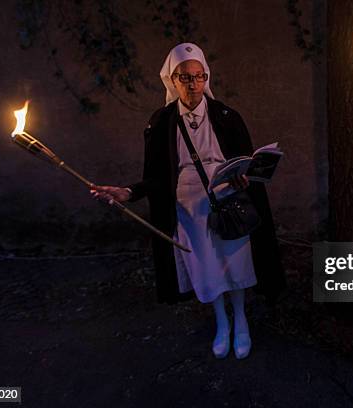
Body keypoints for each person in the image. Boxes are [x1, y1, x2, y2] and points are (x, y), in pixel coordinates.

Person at [91, 43, 286, 360]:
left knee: (235, 263)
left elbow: (245, 160)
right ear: (172, 79)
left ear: (206, 78)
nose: (193, 84)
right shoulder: (161, 122)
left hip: (228, 201)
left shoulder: (226, 116)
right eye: (185, 77)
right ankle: (222, 324)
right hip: (189, 209)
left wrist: (244, 178)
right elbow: (155, 175)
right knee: (207, 267)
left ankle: (242, 322)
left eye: (199, 76)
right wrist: (129, 191)